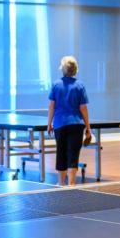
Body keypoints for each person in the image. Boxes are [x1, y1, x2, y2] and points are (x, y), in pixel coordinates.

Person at [46, 56, 91, 186]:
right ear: (75, 70)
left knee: (61, 152)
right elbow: (83, 108)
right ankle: (71, 183)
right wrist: (88, 127)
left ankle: (61, 183)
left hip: (60, 124)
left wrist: (49, 124)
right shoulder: (80, 85)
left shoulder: (56, 84)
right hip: (77, 125)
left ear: (63, 69)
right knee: (73, 153)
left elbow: (51, 106)